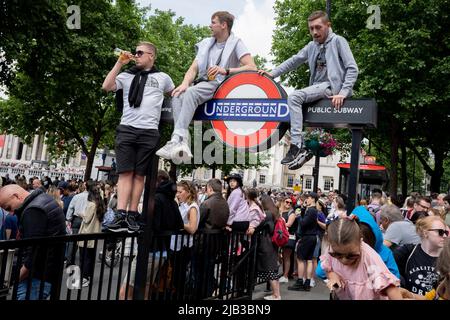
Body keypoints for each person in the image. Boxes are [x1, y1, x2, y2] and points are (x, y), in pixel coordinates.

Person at [258, 10, 358, 170]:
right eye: (311, 28)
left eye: (318, 27)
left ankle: (296, 144)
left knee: (294, 97)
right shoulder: (312, 46)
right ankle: (307, 150)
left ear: (328, 25)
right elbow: (294, 61)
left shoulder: (338, 41)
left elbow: (352, 68)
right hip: (316, 88)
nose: (314, 32)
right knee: (298, 112)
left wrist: (343, 92)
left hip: (331, 88)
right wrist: (272, 73)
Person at [156, 11, 257, 160]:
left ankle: (178, 139)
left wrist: (226, 70)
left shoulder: (236, 43)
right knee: (178, 94)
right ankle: (181, 141)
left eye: (213, 22)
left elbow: (252, 67)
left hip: (221, 84)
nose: (210, 25)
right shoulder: (205, 44)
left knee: (190, 93)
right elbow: (193, 68)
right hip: (202, 83)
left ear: (224, 25)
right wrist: (184, 83)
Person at [102, 41, 174, 232]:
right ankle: (121, 214)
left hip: (149, 131)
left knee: (139, 174)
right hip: (127, 128)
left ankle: (133, 214)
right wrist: (119, 63)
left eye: (140, 52)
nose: (136, 55)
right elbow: (107, 86)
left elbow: (175, 94)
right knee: (125, 172)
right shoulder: (126, 75)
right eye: (136, 52)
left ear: (151, 55)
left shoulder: (163, 77)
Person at [0, 184, 66, 300]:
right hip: (45, 274)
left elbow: (33, 255)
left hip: (36, 279)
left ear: (17, 196)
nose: (11, 213)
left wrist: (16, 279)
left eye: (8, 207)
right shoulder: (43, 199)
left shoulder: (33, 210)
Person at [321, 216, 402, 300]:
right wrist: (333, 276)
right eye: (337, 255)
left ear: (360, 241)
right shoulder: (331, 250)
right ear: (330, 243)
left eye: (351, 255)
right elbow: (328, 269)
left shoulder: (368, 257)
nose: (344, 260)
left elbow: (390, 288)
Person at [393, 216, 447, 296]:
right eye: (440, 232)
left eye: (446, 232)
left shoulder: (446, 257)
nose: (445, 236)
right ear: (425, 233)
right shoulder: (408, 251)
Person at [288, 192, 318, 291]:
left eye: (308, 198)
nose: (306, 199)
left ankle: (300, 281)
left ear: (313, 199)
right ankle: (307, 283)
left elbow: (303, 223)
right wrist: (304, 208)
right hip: (312, 237)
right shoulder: (312, 210)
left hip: (307, 237)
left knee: (300, 259)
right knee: (309, 260)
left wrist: (298, 216)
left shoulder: (312, 211)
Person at [77, 185, 105, 288]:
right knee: (90, 257)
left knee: (84, 257)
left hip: (86, 234)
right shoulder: (99, 205)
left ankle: (85, 278)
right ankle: (88, 277)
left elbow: (87, 219)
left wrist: (81, 214)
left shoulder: (91, 205)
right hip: (94, 234)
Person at [258, 194, 282, 300]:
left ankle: (276, 295)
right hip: (273, 243)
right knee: (273, 270)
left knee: (270, 270)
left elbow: (259, 225)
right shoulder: (275, 212)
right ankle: (276, 294)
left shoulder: (267, 214)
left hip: (266, 243)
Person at [279, 196, 296, 283]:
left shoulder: (291, 213)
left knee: (286, 256)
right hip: (281, 236)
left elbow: (289, 224)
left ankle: (286, 275)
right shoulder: (281, 211)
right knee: (282, 256)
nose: (288, 204)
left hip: (289, 237)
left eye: (290, 203)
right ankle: (284, 274)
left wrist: (280, 222)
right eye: (286, 202)